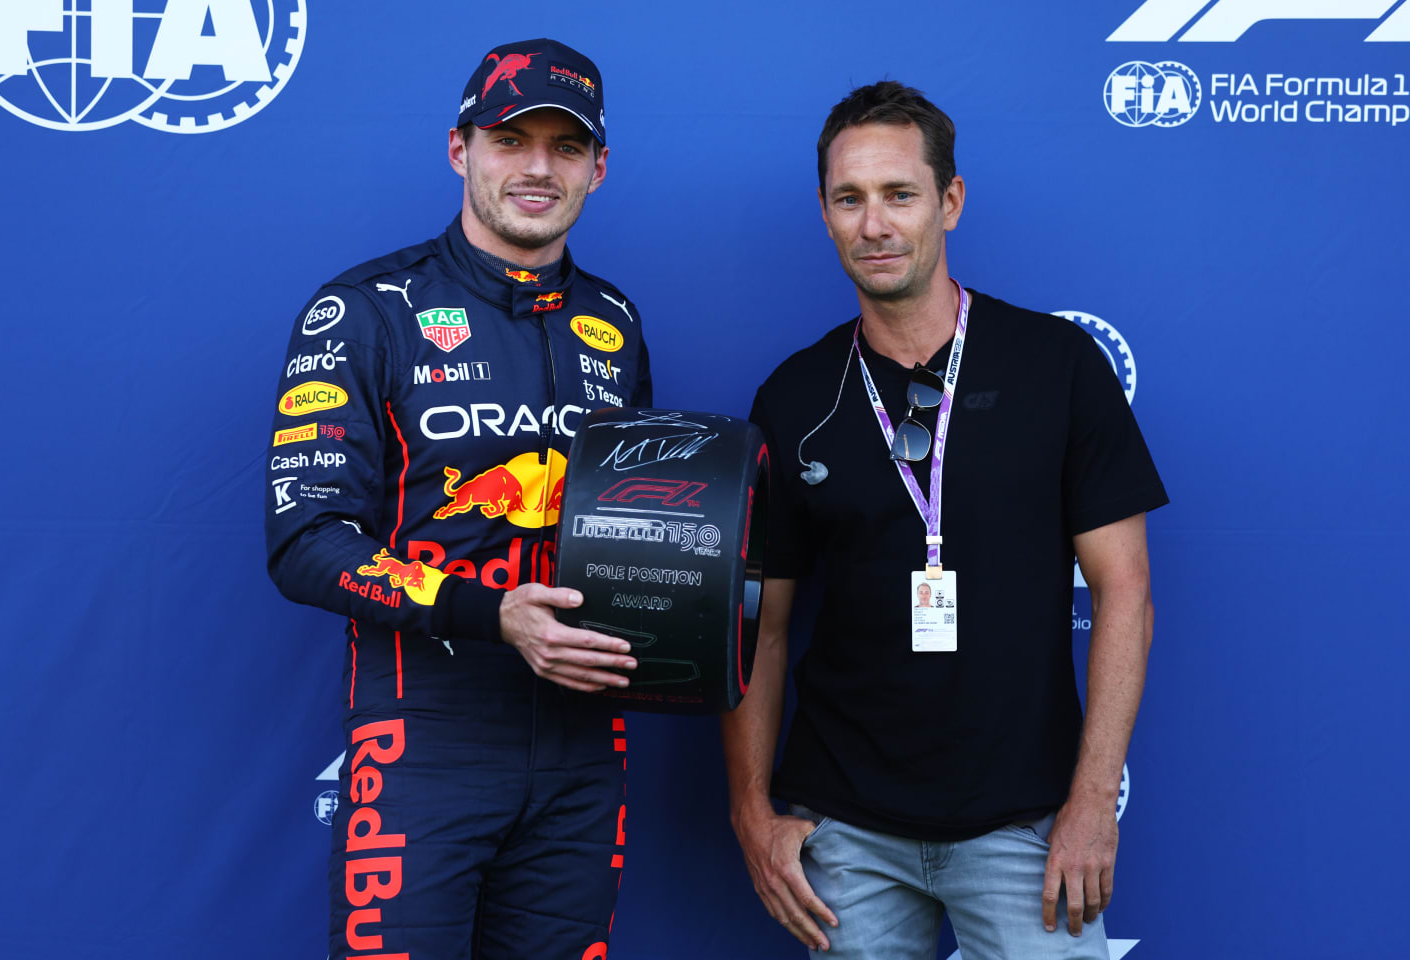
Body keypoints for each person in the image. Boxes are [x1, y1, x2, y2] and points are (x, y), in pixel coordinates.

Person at [723, 81, 1167, 958]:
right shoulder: (794, 395)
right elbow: (757, 628)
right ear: (824, 213)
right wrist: (751, 814)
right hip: (843, 834)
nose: (875, 224)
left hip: (1026, 828)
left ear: (949, 201)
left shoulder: (1058, 365)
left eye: (899, 194)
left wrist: (1089, 805)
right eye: (849, 199)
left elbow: (1126, 593)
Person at [265, 38, 651, 960]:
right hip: (424, 739)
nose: (536, 167)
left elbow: (635, 529)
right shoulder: (365, 308)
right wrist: (493, 615)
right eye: (511, 139)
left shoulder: (617, 322)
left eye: (564, 147)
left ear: (598, 169)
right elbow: (306, 541)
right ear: (459, 149)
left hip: (583, 746)